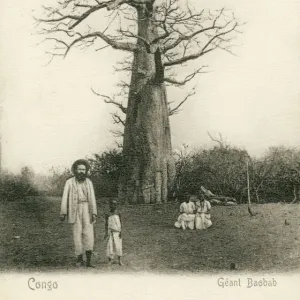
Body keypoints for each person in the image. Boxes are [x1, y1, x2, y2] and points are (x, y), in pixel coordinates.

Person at [60, 159, 97, 268]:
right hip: (74, 209)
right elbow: (64, 198)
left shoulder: (89, 182)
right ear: (75, 170)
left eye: (83, 170)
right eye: (79, 169)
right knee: (77, 234)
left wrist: (94, 212)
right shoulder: (69, 182)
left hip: (87, 209)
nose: (81, 171)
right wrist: (63, 212)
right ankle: (79, 259)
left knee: (89, 234)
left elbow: (92, 198)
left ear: (86, 171)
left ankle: (89, 261)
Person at [105, 200, 123, 265]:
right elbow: (106, 224)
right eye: (112, 204)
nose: (113, 206)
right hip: (110, 232)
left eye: (115, 205)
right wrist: (106, 233)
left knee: (118, 246)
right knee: (110, 246)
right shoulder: (108, 214)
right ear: (110, 205)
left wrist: (121, 231)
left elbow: (121, 222)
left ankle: (119, 260)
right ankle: (110, 260)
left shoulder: (118, 213)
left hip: (117, 232)